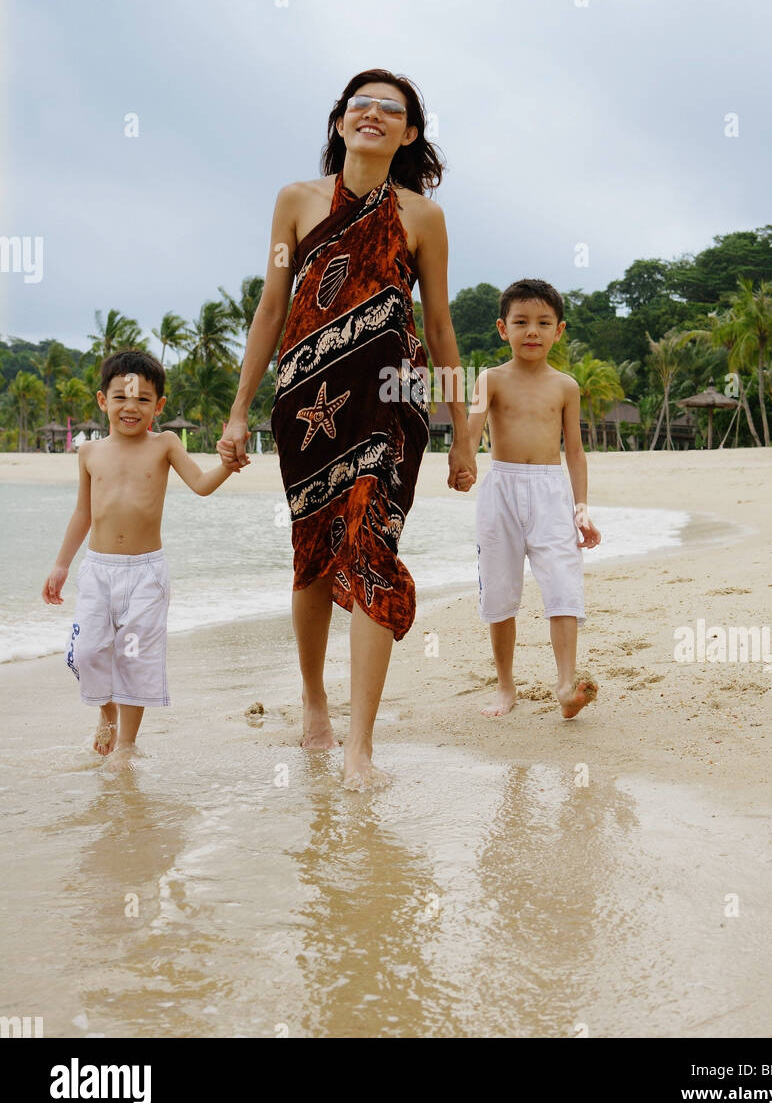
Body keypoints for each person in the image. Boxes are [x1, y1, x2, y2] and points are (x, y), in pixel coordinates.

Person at [217, 69, 476, 790]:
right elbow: (272, 306)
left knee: (372, 548)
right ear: (339, 125)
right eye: (359, 105)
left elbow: (440, 325)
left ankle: (361, 745)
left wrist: (461, 429)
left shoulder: (424, 218)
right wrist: (239, 411)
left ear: (409, 133)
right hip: (307, 403)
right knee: (314, 555)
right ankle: (313, 700)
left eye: (390, 109)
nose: (373, 115)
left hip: (390, 404)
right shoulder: (293, 204)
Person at [42, 351, 236, 773]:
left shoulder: (165, 444)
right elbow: (83, 512)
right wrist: (61, 564)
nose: (131, 407)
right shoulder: (89, 452)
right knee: (88, 651)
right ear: (102, 400)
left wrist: (227, 465)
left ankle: (126, 745)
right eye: (121, 397)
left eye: (143, 399)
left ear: (159, 406)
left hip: (146, 573)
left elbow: (201, 485)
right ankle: (107, 712)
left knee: (135, 658)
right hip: (98, 570)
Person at [457, 279, 602, 719]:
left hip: (549, 490)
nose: (532, 331)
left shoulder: (566, 386)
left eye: (543, 323)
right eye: (521, 322)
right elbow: (471, 429)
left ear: (560, 330)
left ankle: (565, 684)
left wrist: (581, 507)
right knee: (499, 588)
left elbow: (574, 452)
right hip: (501, 489)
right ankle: (505, 687)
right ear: (504, 329)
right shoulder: (491, 379)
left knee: (562, 582)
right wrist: (462, 463)